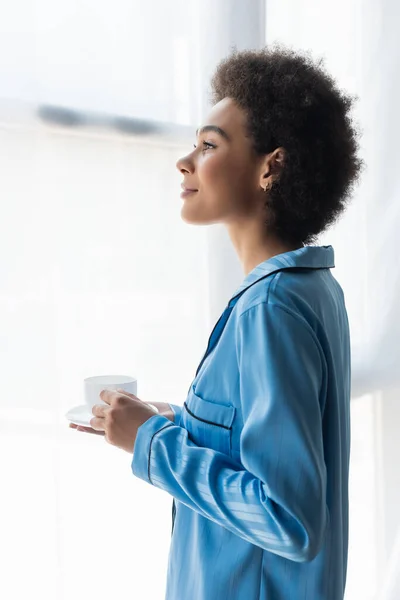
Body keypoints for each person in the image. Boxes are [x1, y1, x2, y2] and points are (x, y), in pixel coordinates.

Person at [72, 44, 363, 599]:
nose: (185, 161)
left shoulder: (271, 308)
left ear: (270, 167)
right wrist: (180, 424)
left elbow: (290, 519)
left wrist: (152, 443)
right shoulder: (311, 289)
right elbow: (268, 448)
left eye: (208, 145)